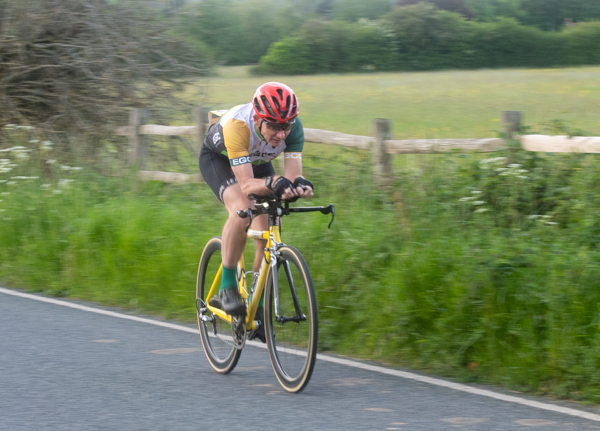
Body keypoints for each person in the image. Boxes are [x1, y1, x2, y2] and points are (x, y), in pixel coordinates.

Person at [199, 82, 314, 342]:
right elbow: (247, 186)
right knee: (242, 209)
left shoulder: (294, 128)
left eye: (286, 126)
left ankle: (257, 306)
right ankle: (228, 286)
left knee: (268, 230)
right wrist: (273, 183)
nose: (281, 134)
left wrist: (299, 186)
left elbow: (293, 176)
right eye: (274, 126)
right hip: (221, 160)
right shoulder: (238, 126)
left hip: (258, 164)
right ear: (258, 119)